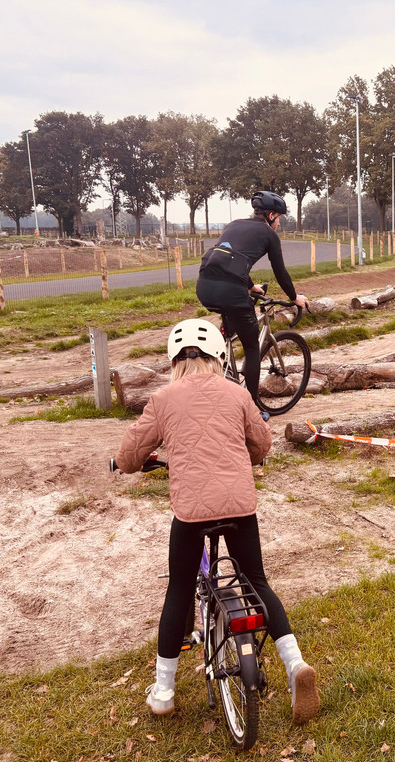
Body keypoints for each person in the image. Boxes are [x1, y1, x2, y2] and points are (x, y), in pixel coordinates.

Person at [114, 318, 320, 725]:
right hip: (241, 507)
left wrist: (125, 463)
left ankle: (164, 692)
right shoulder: (237, 393)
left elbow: (132, 452)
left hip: (190, 514)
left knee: (178, 590)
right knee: (257, 582)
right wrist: (250, 455)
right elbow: (261, 445)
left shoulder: (162, 398)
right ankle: (296, 665)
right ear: (219, 357)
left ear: (174, 359)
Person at [195, 191, 309, 412]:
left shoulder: (234, 224)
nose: (279, 224)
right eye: (280, 219)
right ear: (272, 214)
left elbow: (229, 256)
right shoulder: (269, 235)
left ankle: (223, 370)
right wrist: (295, 298)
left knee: (229, 333)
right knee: (251, 348)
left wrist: (250, 286)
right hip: (230, 290)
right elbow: (280, 272)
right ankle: (252, 409)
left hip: (204, 286)